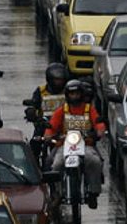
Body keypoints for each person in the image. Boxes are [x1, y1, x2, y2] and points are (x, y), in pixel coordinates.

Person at [43, 79, 106, 208]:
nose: (74, 96)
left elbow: (99, 123)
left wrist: (99, 131)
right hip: (64, 145)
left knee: (94, 161)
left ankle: (93, 192)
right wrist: (48, 135)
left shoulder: (89, 109)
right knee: (56, 165)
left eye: (77, 93)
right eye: (71, 94)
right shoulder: (61, 111)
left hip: (86, 144)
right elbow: (51, 127)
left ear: (81, 94)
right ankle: (58, 193)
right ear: (67, 95)